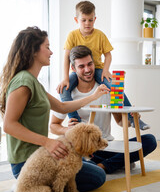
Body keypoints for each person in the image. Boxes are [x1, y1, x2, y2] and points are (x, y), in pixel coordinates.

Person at [0, 27, 108, 192]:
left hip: (41, 155)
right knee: (98, 176)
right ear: (34, 51)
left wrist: (94, 95)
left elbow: (62, 106)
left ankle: (42, 184)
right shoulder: (23, 82)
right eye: (47, 47)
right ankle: (32, 187)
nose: (51, 52)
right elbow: (9, 125)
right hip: (27, 163)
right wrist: (48, 142)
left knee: (86, 163)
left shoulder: (33, 82)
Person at [51, 45, 157, 174]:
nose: (87, 69)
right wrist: (66, 129)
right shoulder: (67, 94)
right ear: (73, 68)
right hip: (84, 149)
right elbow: (53, 125)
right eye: (81, 66)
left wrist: (132, 118)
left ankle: (103, 166)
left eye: (90, 64)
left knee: (149, 140)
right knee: (62, 155)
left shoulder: (107, 89)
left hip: (106, 145)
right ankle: (118, 161)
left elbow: (119, 122)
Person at [57, 0, 150, 130]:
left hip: (98, 69)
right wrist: (66, 78)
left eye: (90, 20)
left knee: (116, 86)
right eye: (83, 20)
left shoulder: (100, 35)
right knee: (63, 91)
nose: (87, 23)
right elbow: (66, 58)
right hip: (79, 72)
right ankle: (76, 121)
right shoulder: (72, 35)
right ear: (76, 20)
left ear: (95, 19)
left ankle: (133, 118)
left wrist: (106, 70)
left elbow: (108, 55)